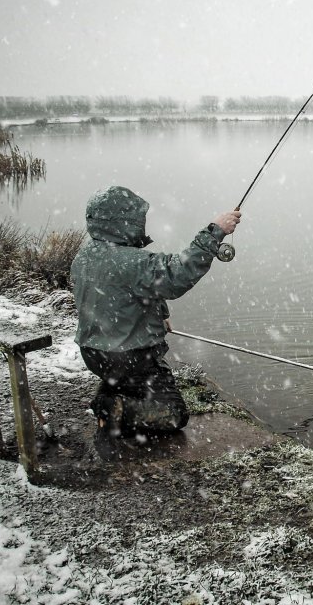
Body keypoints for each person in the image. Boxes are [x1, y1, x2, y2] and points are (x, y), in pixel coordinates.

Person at [71, 185, 240, 447]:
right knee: (173, 415)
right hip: (130, 358)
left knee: (124, 381)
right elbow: (176, 275)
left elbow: (126, 292)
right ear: (123, 222)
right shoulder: (132, 260)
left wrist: (159, 313)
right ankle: (115, 409)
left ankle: (111, 393)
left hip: (93, 354)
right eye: (138, 219)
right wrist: (215, 231)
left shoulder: (85, 255)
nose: (142, 224)